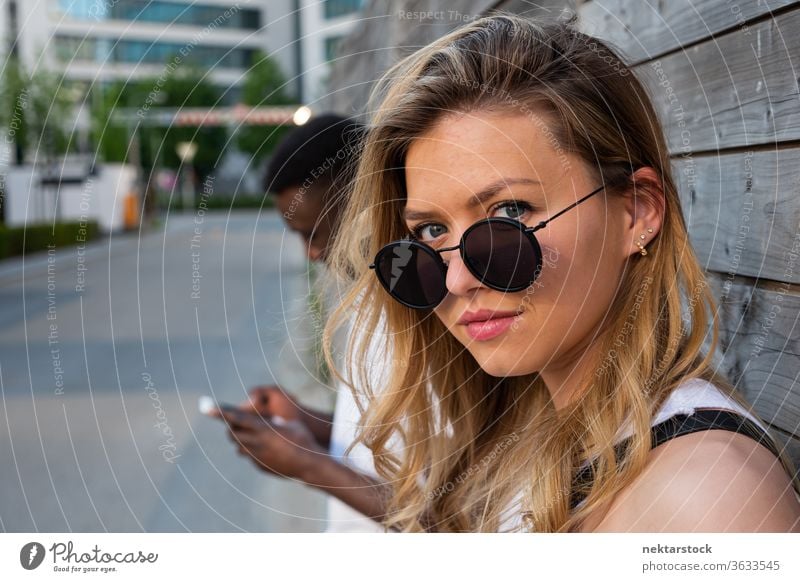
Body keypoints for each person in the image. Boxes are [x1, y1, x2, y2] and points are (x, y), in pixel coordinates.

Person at [321, 13, 800, 532]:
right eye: (432, 232)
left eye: (509, 214)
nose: (457, 280)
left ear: (635, 212)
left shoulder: (704, 498)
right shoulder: (530, 438)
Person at [214, 114, 388, 532]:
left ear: (364, 200)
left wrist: (308, 465)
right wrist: (304, 422)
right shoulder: (372, 299)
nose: (311, 254)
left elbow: (451, 518)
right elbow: (389, 445)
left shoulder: (442, 321)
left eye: (314, 233)